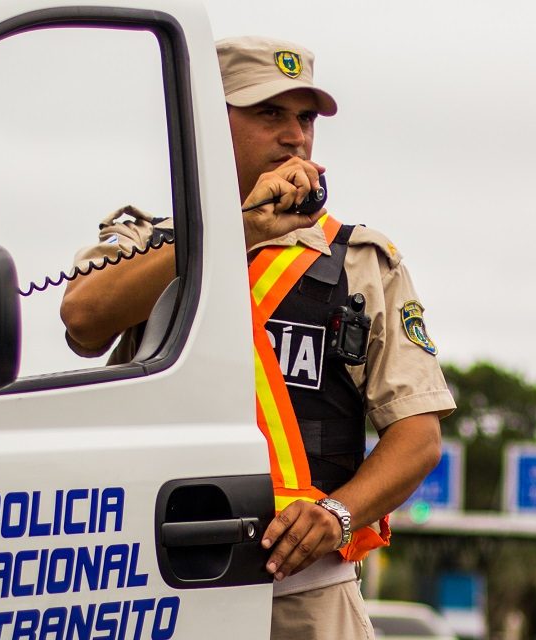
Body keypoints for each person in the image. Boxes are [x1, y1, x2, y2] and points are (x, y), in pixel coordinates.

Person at [61, 36, 456, 640]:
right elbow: (84, 319)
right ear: (209, 125)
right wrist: (236, 228)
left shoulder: (360, 261)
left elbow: (419, 437)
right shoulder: (149, 241)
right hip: (154, 587)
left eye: (305, 119)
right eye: (269, 113)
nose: (295, 135)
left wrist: (338, 514)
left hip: (307, 595)